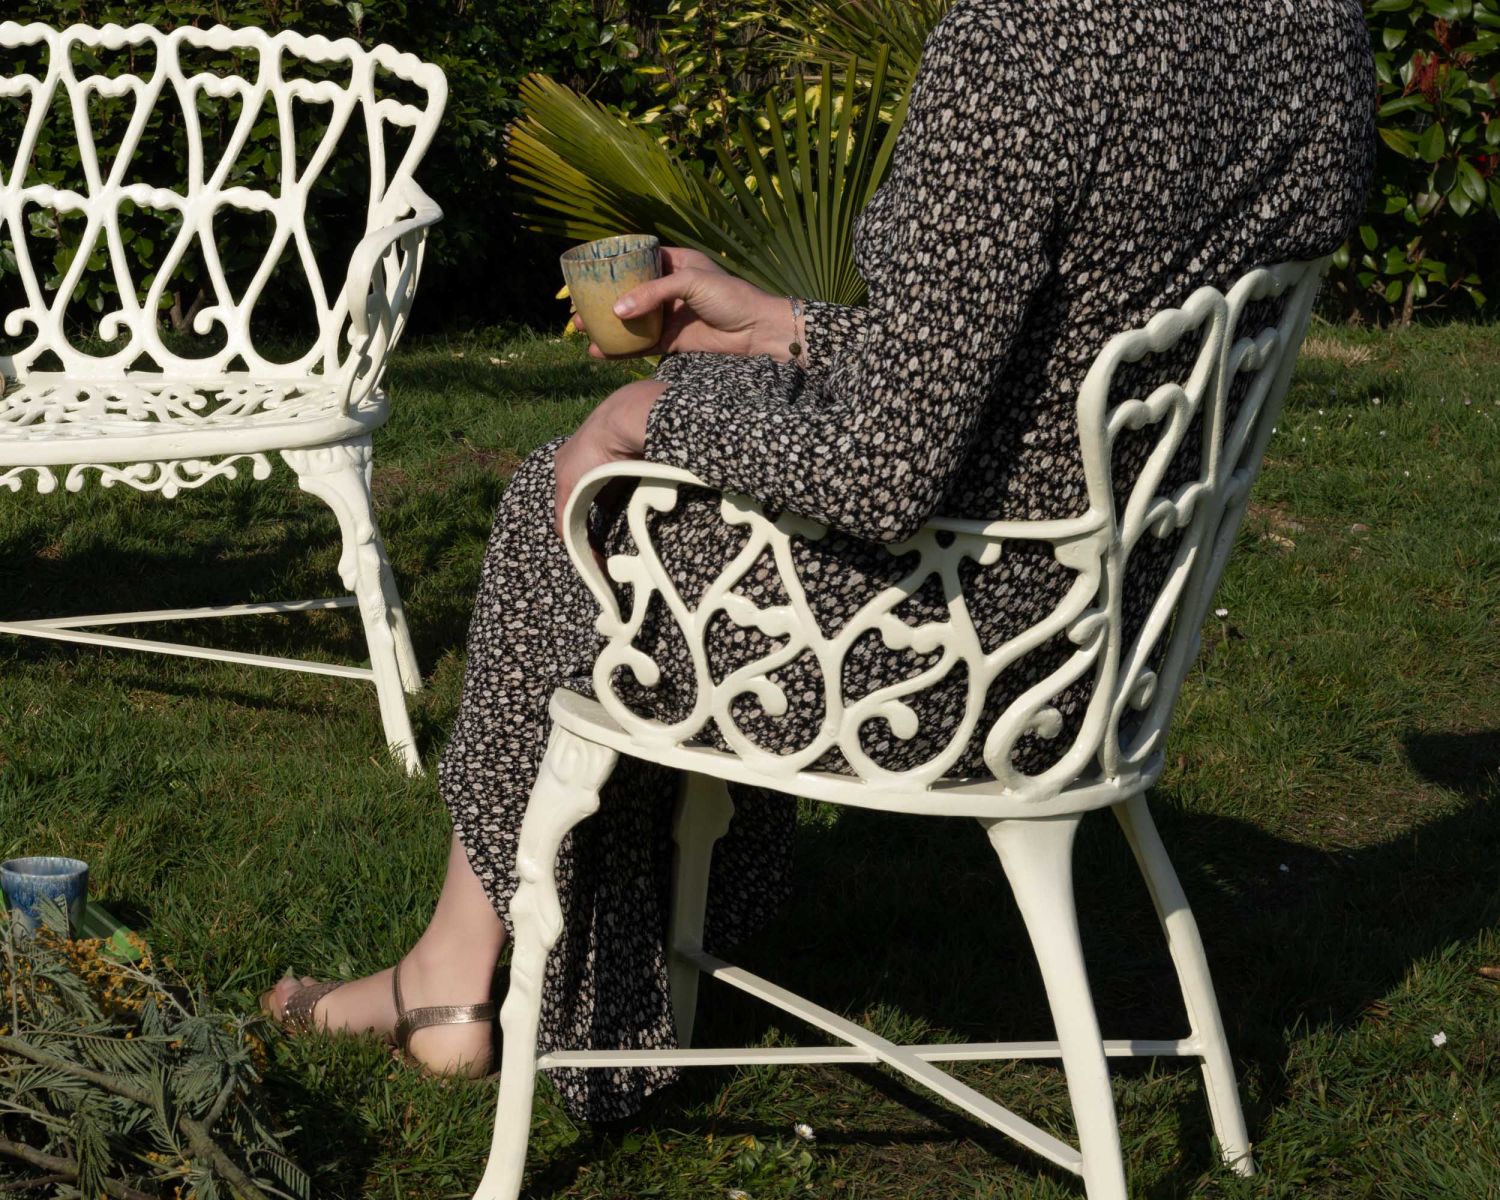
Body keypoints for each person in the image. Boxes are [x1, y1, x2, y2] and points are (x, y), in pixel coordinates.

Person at [263, 0, 1374, 1121]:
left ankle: (453, 981)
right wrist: (779, 325)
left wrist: (654, 411)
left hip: (954, 657)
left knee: (573, 504)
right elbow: (1055, 359)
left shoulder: (1029, 34)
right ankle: (493, 966)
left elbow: (885, 469)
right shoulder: (1317, 25)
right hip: (1106, 633)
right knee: (616, 497)